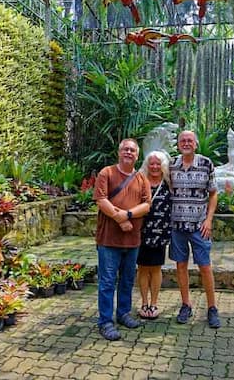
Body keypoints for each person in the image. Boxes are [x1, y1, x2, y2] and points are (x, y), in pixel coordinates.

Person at [93, 139, 151, 341]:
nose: (129, 152)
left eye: (132, 150)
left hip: (132, 240)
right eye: (125, 149)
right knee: (107, 282)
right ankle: (105, 322)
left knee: (127, 280)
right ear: (119, 152)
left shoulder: (141, 178)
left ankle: (124, 313)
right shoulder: (106, 173)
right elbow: (101, 200)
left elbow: (146, 206)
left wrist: (126, 215)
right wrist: (120, 220)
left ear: (137, 155)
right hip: (109, 240)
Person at [169, 130, 221, 328]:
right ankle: (186, 305)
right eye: (182, 140)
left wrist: (209, 220)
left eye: (190, 140)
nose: (186, 143)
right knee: (180, 266)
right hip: (177, 226)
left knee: (205, 267)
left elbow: (214, 193)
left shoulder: (206, 163)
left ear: (196, 144)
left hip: (200, 226)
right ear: (178, 144)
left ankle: (212, 308)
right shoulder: (172, 165)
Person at [136, 150, 172, 319]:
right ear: (147, 165)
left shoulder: (169, 183)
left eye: (158, 163)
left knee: (156, 268)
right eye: (152, 163)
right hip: (141, 232)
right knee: (143, 268)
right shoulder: (140, 181)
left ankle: (154, 304)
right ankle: (144, 303)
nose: (155, 167)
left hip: (161, 233)